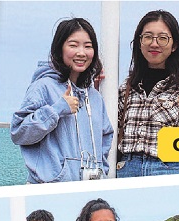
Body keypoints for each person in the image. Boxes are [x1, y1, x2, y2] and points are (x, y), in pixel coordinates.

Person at [11, 18, 112, 184]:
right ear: (59, 49)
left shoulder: (95, 97)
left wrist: (101, 170)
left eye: (88, 46)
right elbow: (19, 132)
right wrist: (57, 109)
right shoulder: (43, 86)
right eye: (73, 45)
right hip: (50, 187)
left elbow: (105, 136)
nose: (81, 52)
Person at [117, 11, 179, 178]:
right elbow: (111, 130)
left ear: (174, 45)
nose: (154, 44)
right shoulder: (126, 87)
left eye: (163, 38)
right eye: (148, 37)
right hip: (126, 168)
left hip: (168, 168)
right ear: (139, 42)